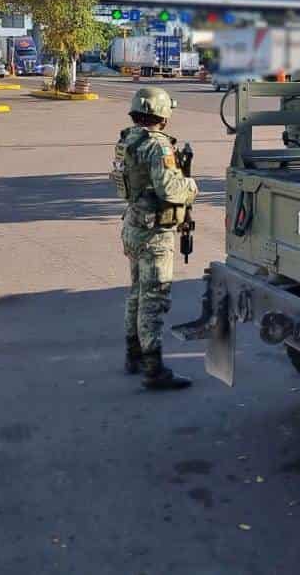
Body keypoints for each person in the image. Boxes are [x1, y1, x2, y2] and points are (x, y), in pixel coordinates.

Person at [112, 86, 200, 390]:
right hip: (154, 233)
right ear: (162, 113)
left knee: (136, 293)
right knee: (155, 298)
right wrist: (191, 186)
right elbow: (170, 190)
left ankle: (133, 355)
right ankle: (154, 369)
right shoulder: (157, 146)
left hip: (133, 226)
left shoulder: (127, 140)